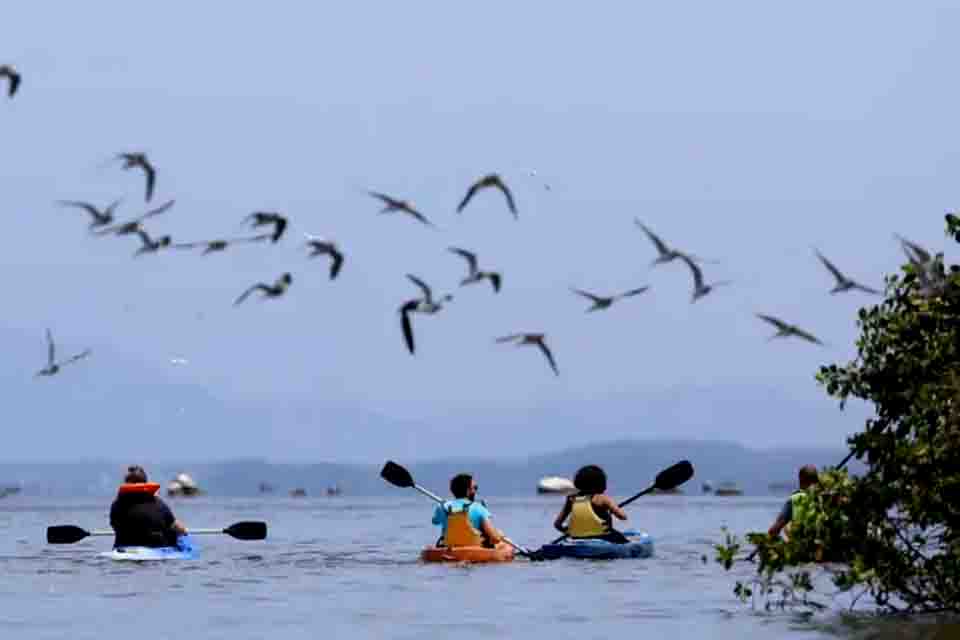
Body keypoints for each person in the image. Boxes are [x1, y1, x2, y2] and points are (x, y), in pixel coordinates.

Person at [109, 465, 188, 549]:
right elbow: (178, 528)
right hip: (155, 547)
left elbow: (114, 525)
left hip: (124, 546)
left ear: (126, 483)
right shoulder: (158, 503)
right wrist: (184, 532)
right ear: (145, 482)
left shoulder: (117, 504)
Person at [553, 465, 629, 544]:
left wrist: (569, 532)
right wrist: (613, 509)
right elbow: (623, 517)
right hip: (604, 537)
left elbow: (557, 524)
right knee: (625, 541)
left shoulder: (571, 499)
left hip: (578, 537)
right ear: (601, 483)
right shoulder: (602, 499)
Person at [432, 473, 503, 547]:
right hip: (474, 547)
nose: (476, 491)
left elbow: (435, 521)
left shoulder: (442, 507)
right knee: (503, 543)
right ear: (468, 490)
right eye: (475, 488)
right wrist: (500, 535)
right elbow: (495, 538)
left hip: (448, 546)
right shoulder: (479, 508)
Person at [768, 464, 819, 539]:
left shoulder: (795, 498)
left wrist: (768, 537)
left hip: (800, 542)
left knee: (787, 527)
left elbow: (776, 528)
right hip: (823, 543)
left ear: (800, 479)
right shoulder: (826, 497)